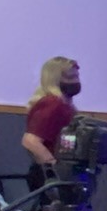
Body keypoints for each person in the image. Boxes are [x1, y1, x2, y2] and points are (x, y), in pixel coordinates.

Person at [21, 57, 81, 190]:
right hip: (49, 176)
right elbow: (30, 141)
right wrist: (55, 168)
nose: (76, 81)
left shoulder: (64, 105)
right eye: (70, 77)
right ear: (55, 79)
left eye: (77, 76)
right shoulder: (53, 104)